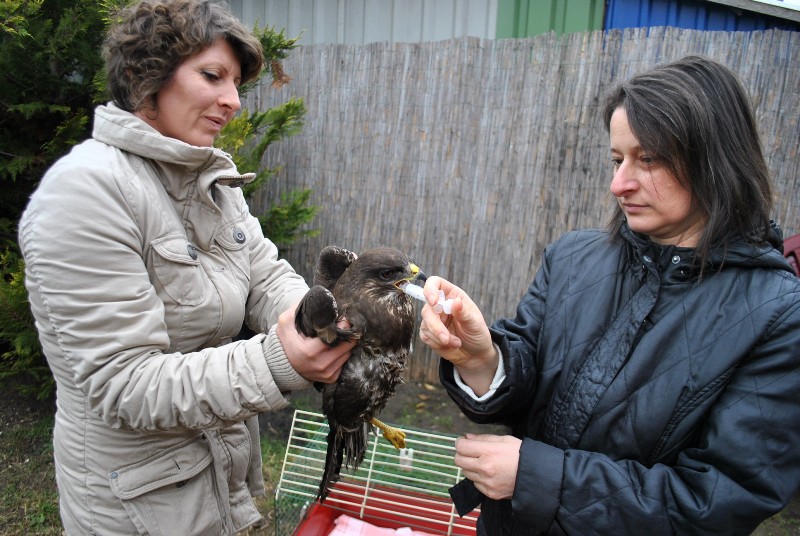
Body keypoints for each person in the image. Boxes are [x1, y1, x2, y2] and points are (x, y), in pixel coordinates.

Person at [417, 55, 800, 535]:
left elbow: (720, 501)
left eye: (649, 159)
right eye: (617, 159)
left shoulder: (776, 313)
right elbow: (533, 385)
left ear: (714, 158)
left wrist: (538, 478)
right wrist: (481, 359)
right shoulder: (574, 258)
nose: (619, 184)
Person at [18, 0, 355, 534]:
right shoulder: (84, 192)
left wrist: (318, 320)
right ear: (141, 78)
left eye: (238, 83)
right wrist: (277, 362)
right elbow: (123, 384)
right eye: (212, 75)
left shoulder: (207, 178)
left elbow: (263, 275)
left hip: (213, 475)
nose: (234, 101)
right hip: (135, 503)